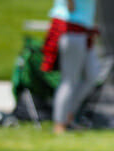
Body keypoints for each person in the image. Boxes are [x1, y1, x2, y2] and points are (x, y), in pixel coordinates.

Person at [41, 0, 101, 134]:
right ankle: (59, 124)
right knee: (69, 80)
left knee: (92, 76)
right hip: (71, 30)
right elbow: (70, 8)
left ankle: (68, 115)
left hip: (84, 30)